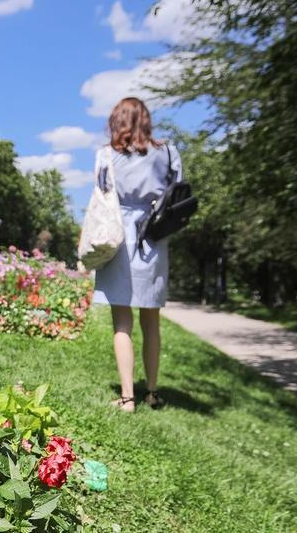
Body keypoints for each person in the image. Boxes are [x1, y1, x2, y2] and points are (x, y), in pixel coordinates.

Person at [92, 97, 182, 412]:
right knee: (152, 320)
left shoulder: (106, 155)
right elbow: (177, 190)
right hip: (154, 239)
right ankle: (153, 393)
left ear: (117, 121)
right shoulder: (168, 151)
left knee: (121, 322)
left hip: (117, 237)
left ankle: (128, 397)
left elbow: (101, 192)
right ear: (146, 120)